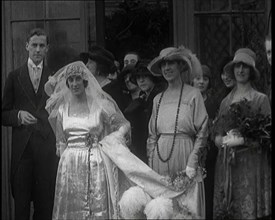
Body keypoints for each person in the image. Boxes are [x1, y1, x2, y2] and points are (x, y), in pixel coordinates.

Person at [47, 61, 208, 219]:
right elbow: (60, 145)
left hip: (95, 162)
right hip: (70, 167)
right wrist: (65, 160)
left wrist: (109, 140)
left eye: (78, 79)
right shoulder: (62, 110)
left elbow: (124, 125)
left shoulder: (100, 106)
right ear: (67, 83)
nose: (75, 83)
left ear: (85, 81)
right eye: (71, 80)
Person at [1, 28, 59, 220]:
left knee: (45, 205)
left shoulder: (55, 77)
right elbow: (3, 114)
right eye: (34, 45)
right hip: (23, 152)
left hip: (47, 150)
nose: (37, 49)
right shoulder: (14, 76)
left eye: (42, 45)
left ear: (47, 49)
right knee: (22, 207)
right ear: (26, 46)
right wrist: (18, 115)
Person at [147, 46, 209, 218]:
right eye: (163, 65)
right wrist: (151, 164)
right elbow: (152, 136)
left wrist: (193, 158)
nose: (167, 68)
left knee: (186, 208)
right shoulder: (157, 99)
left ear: (181, 66)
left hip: (185, 155)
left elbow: (203, 130)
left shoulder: (193, 95)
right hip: (160, 158)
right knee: (164, 208)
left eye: (171, 63)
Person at [212, 48, 271, 219]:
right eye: (237, 66)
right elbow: (216, 132)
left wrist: (244, 139)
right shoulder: (226, 101)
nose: (241, 70)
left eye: (245, 66)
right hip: (227, 164)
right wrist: (220, 139)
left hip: (251, 163)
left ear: (251, 71)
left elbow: (267, 134)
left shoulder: (260, 99)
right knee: (229, 208)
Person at [124, 60, 166, 163]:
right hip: (141, 146)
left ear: (152, 77)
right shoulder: (142, 98)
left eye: (145, 77)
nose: (141, 81)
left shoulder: (159, 96)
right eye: (138, 78)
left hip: (158, 146)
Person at [192, 64, 220, 219]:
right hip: (191, 151)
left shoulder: (214, 102)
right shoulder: (187, 100)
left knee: (208, 188)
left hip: (209, 153)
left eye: (205, 78)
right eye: (197, 78)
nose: (201, 82)